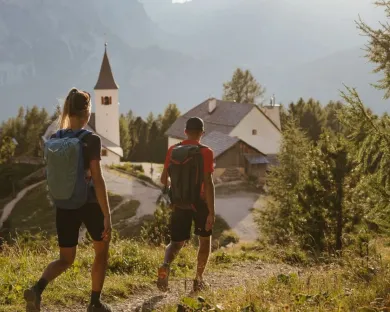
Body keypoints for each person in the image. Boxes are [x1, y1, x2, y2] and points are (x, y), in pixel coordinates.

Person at [23, 88, 113, 312]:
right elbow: (98, 180)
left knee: (65, 259)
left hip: (64, 204)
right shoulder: (91, 140)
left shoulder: (55, 139)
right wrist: (108, 216)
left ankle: (36, 289)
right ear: (87, 113)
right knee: (101, 252)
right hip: (90, 203)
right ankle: (94, 303)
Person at [157, 117, 215, 292]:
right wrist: (211, 212)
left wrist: (176, 192)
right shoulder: (206, 152)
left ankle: (165, 265)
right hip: (200, 204)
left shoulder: (173, 150)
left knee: (176, 243)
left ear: (185, 132)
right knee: (204, 241)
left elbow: (163, 180)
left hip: (180, 203)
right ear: (201, 133)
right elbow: (208, 182)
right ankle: (198, 280)